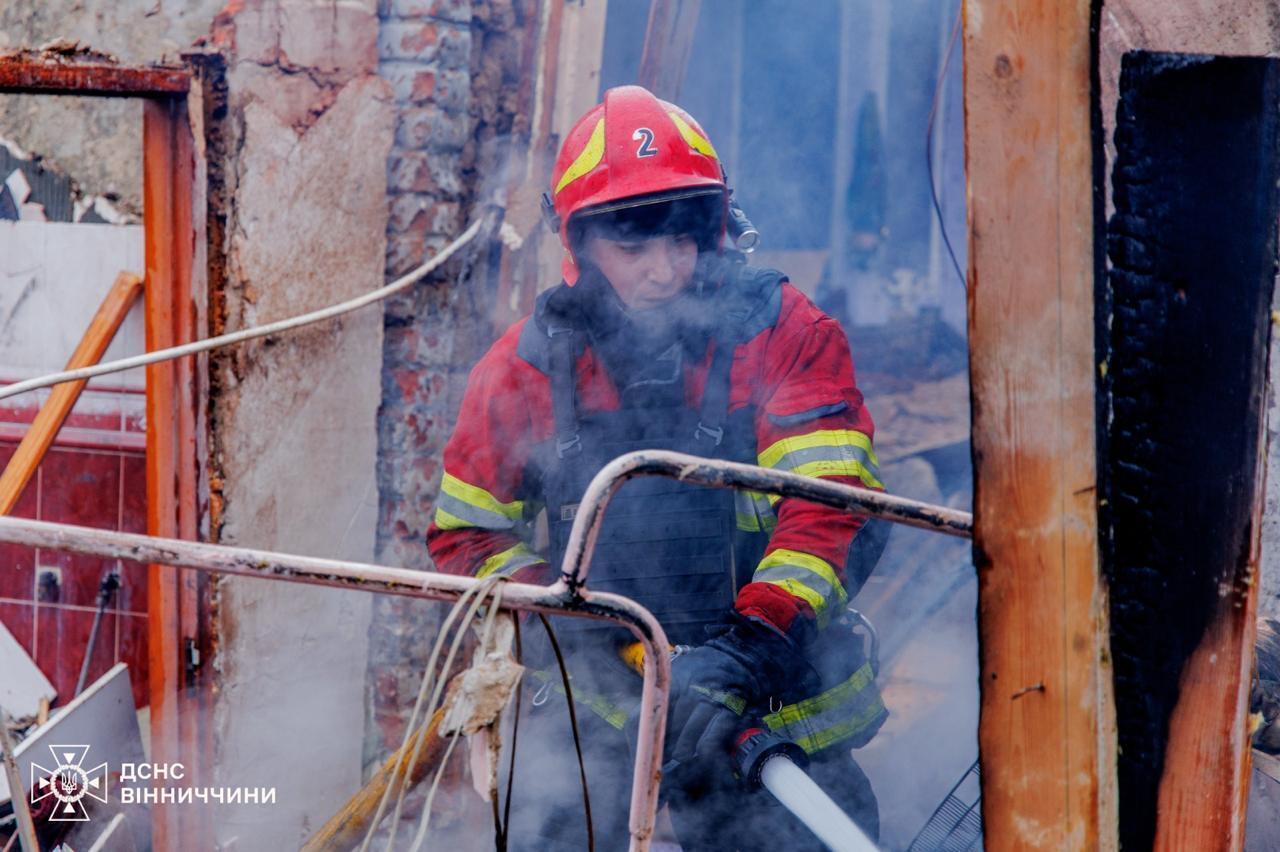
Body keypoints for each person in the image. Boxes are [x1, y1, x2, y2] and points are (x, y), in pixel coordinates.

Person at [427, 85, 887, 850]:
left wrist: (743, 654)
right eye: (633, 247)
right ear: (578, 245)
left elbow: (830, 510)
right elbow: (467, 540)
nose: (665, 271)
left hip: (770, 714)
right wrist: (590, 640)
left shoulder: (784, 333)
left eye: (682, 241)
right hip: (598, 710)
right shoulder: (524, 369)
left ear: (716, 230)